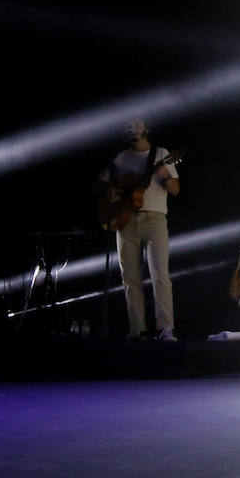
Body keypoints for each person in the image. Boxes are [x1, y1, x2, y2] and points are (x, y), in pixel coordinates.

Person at [99, 118, 180, 341]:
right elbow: (103, 183)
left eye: (137, 124)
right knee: (130, 278)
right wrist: (111, 194)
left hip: (154, 220)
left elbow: (175, 190)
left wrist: (166, 176)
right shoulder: (121, 157)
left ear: (146, 129)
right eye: (129, 125)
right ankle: (137, 329)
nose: (132, 127)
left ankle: (166, 329)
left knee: (160, 274)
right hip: (125, 221)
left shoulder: (161, 153)